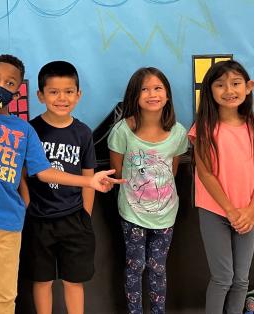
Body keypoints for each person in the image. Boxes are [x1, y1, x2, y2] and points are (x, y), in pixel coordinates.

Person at [0, 15, 122, 314]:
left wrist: (88, 182)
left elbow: (43, 171)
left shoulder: (24, 130)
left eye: (9, 83)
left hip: (9, 224)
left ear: (17, 93)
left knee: (5, 294)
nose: (0, 86)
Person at [108, 67, 188, 314]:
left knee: (158, 268)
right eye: (145, 89)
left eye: (157, 88)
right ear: (135, 95)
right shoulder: (123, 131)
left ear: (167, 94)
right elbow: (118, 172)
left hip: (165, 215)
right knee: (135, 266)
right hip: (133, 214)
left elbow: (172, 170)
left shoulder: (178, 133)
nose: (152, 94)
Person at [19, 61, 96, 314]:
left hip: (74, 219)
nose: (61, 98)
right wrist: (28, 204)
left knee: (74, 281)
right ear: (40, 95)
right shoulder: (30, 130)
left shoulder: (83, 133)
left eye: (68, 91)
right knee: (42, 280)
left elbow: (89, 177)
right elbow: (22, 173)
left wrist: (85, 213)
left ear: (78, 94)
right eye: (53, 92)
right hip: (39, 219)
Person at [188, 60, 254, 314]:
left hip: (247, 214)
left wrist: (249, 210)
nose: (229, 90)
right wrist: (229, 209)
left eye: (236, 83)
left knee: (241, 280)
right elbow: (205, 174)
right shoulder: (204, 127)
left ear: (248, 87)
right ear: (209, 90)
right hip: (216, 212)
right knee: (223, 277)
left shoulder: (251, 125)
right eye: (220, 84)